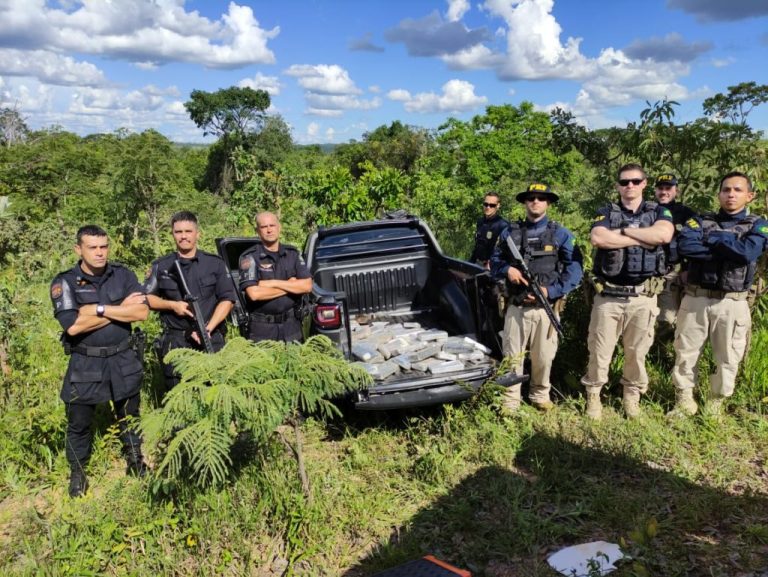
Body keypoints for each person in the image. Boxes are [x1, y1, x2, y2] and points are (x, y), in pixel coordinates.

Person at [50, 225, 149, 497]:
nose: (99, 252)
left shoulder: (123, 275)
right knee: (79, 422)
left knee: (130, 416)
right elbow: (73, 327)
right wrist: (121, 309)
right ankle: (78, 473)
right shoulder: (65, 282)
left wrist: (98, 309)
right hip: (86, 364)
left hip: (123, 358)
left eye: (103, 246)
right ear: (78, 249)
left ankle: (135, 460)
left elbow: (141, 313)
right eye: (92, 247)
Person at [670, 171, 768, 416]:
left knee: (728, 357)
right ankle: (684, 402)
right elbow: (687, 247)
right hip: (696, 297)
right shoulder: (699, 221)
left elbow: (747, 253)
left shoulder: (758, 224)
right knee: (685, 352)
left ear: (750, 195)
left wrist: (713, 240)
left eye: (737, 190)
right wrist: (729, 246)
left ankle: (715, 403)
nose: (731, 194)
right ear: (719, 194)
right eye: (726, 190)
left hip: (732, 302)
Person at [581, 164, 674, 419]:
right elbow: (599, 238)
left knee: (637, 352)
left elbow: (664, 235)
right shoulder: (606, 212)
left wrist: (621, 233)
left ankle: (631, 398)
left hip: (643, 297)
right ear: (618, 186)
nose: (629, 186)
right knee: (599, 351)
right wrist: (641, 237)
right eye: (624, 182)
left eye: (635, 181)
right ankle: (594, 397)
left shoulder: (659, 211)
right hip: (609, 296)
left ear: (644, 183)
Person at [490, 183, 583, 413]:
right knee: (512, 357)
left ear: (548, 203)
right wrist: (507, 271)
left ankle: (539, 395)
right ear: (524, 202)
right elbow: (494, 261)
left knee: (544, 357)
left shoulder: (560, 233)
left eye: (541, 198)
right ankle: (510, 401)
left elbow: (575, 269)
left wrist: (550, 291)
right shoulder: (509, 232)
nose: (535, 202)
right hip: (516, 305)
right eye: (531, 198)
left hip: (546, 308)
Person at [144, 211, 236, 394]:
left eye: (188, 231)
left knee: (215, 392)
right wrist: (172, 305)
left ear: (197, 234)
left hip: (210, 336)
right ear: (172, 234)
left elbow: (228, 298)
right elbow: (146, 298)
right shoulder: (160, 266)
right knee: (180, 396)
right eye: (178, 232)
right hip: (176, 340)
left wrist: (208, 328)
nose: (183, 236)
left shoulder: (214, 264)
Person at [239, 212, 313, 343]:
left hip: (292, 327)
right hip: (262, 330)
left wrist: (271, 283)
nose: (269, 230)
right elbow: (254, 294)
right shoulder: (250, 257)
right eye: (264, 227)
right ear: (257, 231)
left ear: (279, 227)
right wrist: (291, 286)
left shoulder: (292, 254)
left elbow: (307, 286)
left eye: (272, 225)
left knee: (295, 363)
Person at [653, 174, 696, 337]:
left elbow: (692, 243)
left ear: (676, 191)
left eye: (668, 188)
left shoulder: (686, 214)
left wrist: (685, 268)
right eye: (660, 188)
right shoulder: (646, 210)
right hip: (644, 273)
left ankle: (660, 354)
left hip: (670, 273)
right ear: (655, 191)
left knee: (668, 319)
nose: (664, 192)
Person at [469, 192, 509, 269]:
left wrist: (491, 264)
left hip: (492, 268)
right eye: (486, 204)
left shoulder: (503, 225)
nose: (488, 207)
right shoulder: (480, 222)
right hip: (477, 264)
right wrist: (470, 263)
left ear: (498, 206)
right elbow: (478, 245)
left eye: (492, 205)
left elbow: (503, 252)